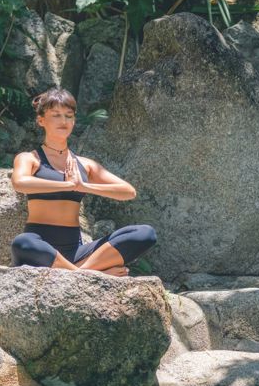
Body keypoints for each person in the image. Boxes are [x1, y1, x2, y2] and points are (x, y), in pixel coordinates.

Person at [10, 88, 156, 277]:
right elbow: (19, 183)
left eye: (69, 116)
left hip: (77, 252)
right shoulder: (30, 158)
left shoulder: (85, 165)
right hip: (41, 246)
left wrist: (84, 186)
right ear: (41, 121)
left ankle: (79, 272)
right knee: (22, 243)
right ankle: (88, 274)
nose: (63, 121)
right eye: (56, 115)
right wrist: (67, 185)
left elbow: (128, 191)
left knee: (145, 233)